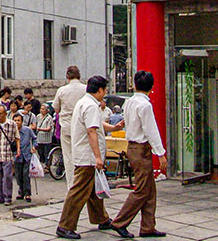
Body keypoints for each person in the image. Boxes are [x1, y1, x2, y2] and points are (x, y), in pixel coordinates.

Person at [55, 76, 125, 240]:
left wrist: (114, 127)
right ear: (100, 90)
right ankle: (65, 225)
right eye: (105, 90)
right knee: (79, 191)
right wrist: (98, 157)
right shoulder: (91, 106)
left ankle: (102, 218)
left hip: (84, 154)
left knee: (94, 190)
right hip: (87, 156)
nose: (105, 94)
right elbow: (92, 131)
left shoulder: (84, 103)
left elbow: (97, 125)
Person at [109, 71, 167, 238]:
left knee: (150, 189)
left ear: (135, 84)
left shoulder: (129, 102)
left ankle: (148, 226)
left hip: (132, 147)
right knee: (142, 189)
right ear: (151, 86)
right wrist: (161, 153)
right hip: (141, 149)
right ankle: (120, 221)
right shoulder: (145, 105)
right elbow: (151, 131)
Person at [52, 65, 86, 189]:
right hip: (82, 126)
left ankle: (71, 185)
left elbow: (56, 108)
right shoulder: (85, 89)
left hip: (66, 126)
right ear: (79, 75)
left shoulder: (62, 90)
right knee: (82, 156)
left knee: (68, 157)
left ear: (67, 76)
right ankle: (82, 184)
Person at [13, 114, 37, 202]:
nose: (16, 122)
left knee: (25, 175)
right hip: (17, 156)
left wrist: (34, 147)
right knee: (18, 175)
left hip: (26, 155)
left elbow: (34, 138)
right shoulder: (12, 131)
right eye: (15, 120)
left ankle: (27, 193)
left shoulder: (27, 130)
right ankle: (21, 191)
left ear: (22, 122)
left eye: (18, 120)